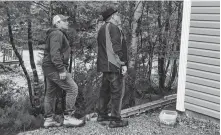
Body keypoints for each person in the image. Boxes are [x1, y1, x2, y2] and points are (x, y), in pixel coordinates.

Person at [42, 14, 85, 128]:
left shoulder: (55, 33)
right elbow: (54, 54)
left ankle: (49, 119)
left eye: (67, 20)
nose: (67, 22)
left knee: (50, 94)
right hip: (55, 68)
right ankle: (69, 118)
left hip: (49, 68)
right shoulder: (57, 33)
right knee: (72, 88)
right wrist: (61, 70)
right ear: (57, 23)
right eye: (64, 21)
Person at [96, 7, 129, 128]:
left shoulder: (102, 29)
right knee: (117, 93)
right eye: (117, 14)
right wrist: (123, 63)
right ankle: (115, 119)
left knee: (105, 92)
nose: (119, 16)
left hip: (105, 66)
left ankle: (102, 115)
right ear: (113, 16)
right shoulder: (113, 28)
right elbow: (116, 48)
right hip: (114, 65)